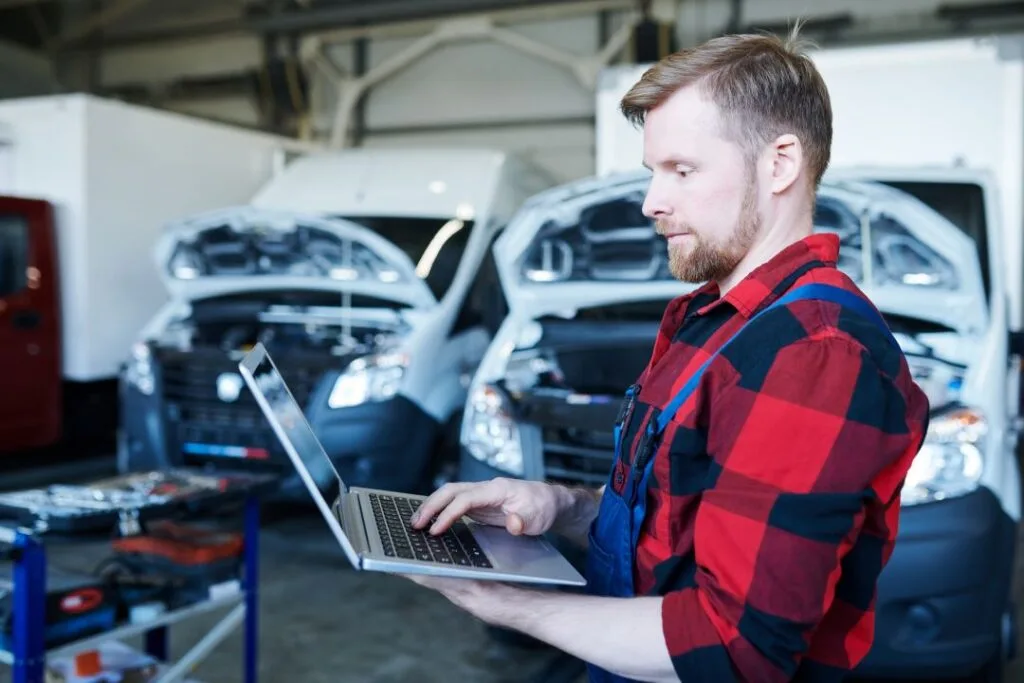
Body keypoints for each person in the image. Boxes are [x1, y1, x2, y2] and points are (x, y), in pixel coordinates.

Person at [405, 27, 930, 683]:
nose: (653, 202)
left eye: (683, 170)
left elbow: (734, 646)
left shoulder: (813, 354)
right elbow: (673, 523)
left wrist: (505, 600)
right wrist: (557, 505)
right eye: (653, 172)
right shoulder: (710, 319)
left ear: (781, 163)